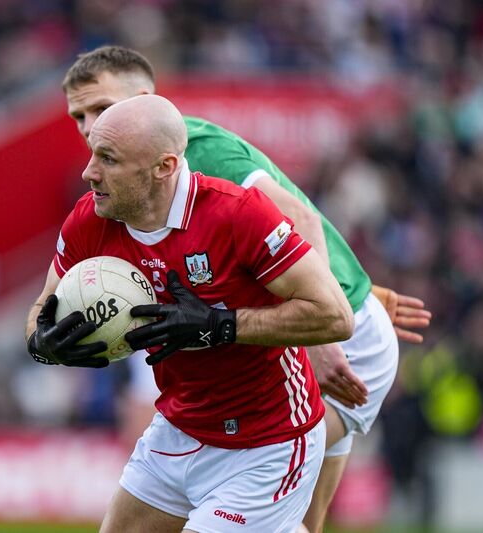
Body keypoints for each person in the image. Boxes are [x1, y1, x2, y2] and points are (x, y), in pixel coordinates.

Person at [59, 45, 432, 533]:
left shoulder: (197, 151)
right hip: (305, 328)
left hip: (339, 344)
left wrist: (320, 342)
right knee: (295, 521)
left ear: (147, 101)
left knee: (270, 478)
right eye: (79, 116)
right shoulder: (131, 181)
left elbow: (297, 219)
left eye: (102, 110)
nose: (89, 127)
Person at [26, 94, 354, 533]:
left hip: (268, 440)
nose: (89, 172)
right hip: (180, 427)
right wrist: (41, 344)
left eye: (109, 159)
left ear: (164, 167)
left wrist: (221, 325)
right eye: (92, 154)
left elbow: (334, 315)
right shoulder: (90, 219)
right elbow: (42, 309)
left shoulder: (237, 213)